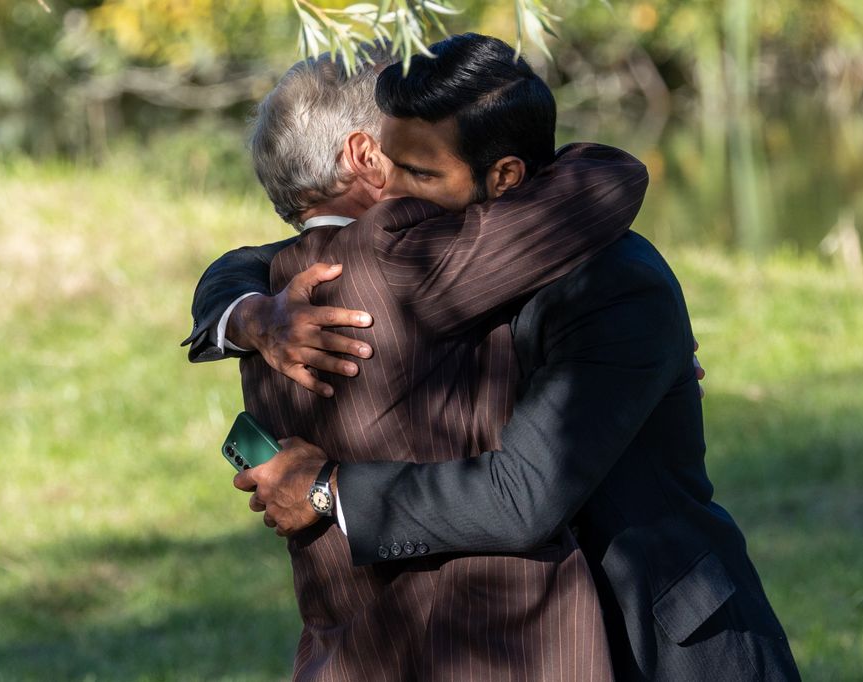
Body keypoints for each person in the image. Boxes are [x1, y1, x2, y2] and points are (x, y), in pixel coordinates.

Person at [189, 35, 655, 680]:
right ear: (367, 154)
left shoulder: (271, 296)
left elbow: (240, 267)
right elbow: (607, 180)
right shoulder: (412, 258)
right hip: (493, 648)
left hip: (345, 656)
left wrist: (238, 314)